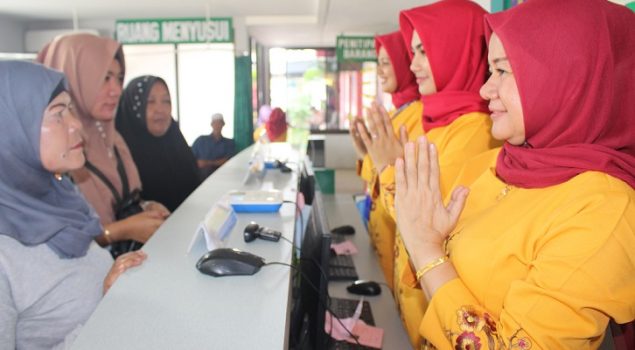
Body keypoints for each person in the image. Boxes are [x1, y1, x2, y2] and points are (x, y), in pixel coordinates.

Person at [394, 0, 635, 348]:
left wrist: (428, 252)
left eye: (503, 71)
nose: (485, 89)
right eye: (490, 70)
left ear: (567, 77)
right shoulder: (496, 165)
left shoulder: (606, 209)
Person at [355, 1, 500, 347]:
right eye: (411, 52)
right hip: (412, 292)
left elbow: (421, 221)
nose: (413, 64)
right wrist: (373, 159)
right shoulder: (437, 124)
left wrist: (389, 168)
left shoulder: (475, 131)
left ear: (454, 50)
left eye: (423, 51)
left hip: (435, 307)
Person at [0, 60, 147, 349]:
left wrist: (113, 283)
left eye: (71, 109)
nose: (76, 124)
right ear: (11, 129)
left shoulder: (59, 198)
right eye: (58, 113)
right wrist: (106, 310)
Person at [37, 33, 169, 252]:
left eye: (118, 78)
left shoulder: (112, 138)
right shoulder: (49, 151)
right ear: (74, 77)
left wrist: (144, 208)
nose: (116, 89)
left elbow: (120, 198)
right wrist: (118, 230)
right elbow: (53, 245)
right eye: (104, 78)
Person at [348, 31, 422, 289]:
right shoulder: (395, 113)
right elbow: (380, 172)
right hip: (382, 227)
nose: (380, 71)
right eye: (378, 63)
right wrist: (363, 152)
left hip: (399, 238)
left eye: (386, 62)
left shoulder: (420, 116)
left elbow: (397, 176)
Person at [116, 75, 200, 212]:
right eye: (150, 102)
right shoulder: (120, 155)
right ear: (134, 108)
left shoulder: (177, 144)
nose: (160, 109)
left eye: (166, 101)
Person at [192, 113, 236, 178]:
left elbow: (227, 161)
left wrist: (207, 163)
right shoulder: (201, 140)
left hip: (221, 176)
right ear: (211, 124)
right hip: (200, 176)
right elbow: (191, 158)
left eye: (219, 123)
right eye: (215, 123)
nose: (217, 125)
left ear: (223, 124)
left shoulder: (229, 143)